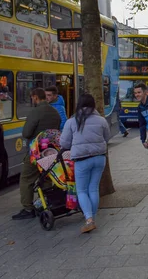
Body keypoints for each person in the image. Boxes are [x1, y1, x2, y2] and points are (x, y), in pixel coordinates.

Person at [60, 94, 109, 233]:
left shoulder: (71, 121)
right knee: (93, 188)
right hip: (100, 158)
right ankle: (92, 218)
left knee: (82, 190)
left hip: (82, 159)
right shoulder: (101, 120)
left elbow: (64, 143)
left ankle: (89, 220)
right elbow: (106, 137)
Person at [12, 88, 61, 220]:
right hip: (50, 152)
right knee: (45, 177)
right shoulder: (55, 112)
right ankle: (44, 203)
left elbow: (26, 133)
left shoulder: (35, 112)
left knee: (26, 178)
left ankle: (28, 208)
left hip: (36, 152)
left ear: (35, 97)